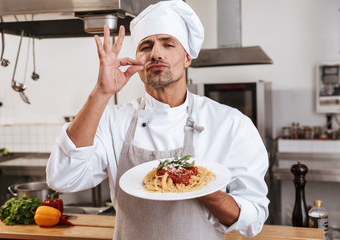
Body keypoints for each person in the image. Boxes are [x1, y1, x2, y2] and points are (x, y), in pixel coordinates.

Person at [46, 0, 269, 239]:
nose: (156, 53)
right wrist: (101, 93)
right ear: (138, 61)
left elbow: (253, 219)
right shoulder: (113, 120)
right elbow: (62, 179)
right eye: (146, 46)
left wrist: (203, 189)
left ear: (187, 58)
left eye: (168, 44)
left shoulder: (231, 124)